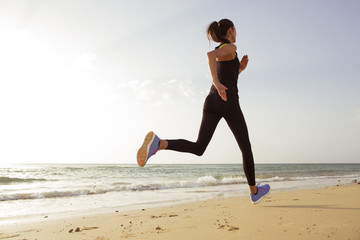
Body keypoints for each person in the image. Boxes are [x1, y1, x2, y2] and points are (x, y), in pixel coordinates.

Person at [136, 19, 270, 204]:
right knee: (245, 148)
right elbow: (210, 55)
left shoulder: (228, 51)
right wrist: (216, 82)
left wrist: (239, 69)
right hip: (228, 101)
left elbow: (226, 74)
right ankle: (254, 192)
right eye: (235, 29)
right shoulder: (231, 47)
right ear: (231, 30)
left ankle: (159, 144)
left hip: (211, 101)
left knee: (199, 147)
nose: (236, 32)